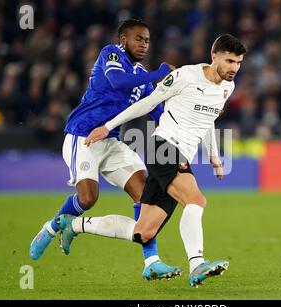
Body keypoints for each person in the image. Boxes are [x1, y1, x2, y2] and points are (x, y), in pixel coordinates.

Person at [58, 34, 247, 287]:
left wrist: (213, 155)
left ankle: (75, 224)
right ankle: (197, 263)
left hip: (181, 153)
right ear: (214, 57)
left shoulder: (227, 87)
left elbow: (208, 120)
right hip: (164, 147)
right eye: (230, 61)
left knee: (143, 231)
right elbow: (148, 103)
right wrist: (108, 126)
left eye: (238, 63)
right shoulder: (185, 76)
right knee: (196, 199)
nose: (234, 68)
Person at [29, 19, 182, 281]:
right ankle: (53, 226)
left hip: (110, 140)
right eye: (138, 39)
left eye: (147, 40)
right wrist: (158, 74)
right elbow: (118, 82)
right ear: (124, 40)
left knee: (144, 194)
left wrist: (182, 114)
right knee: (88, 199)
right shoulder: (111, 54)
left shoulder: (142, 76)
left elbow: (156, 110)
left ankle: (151, 262)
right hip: (84, 135)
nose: (144, 44)